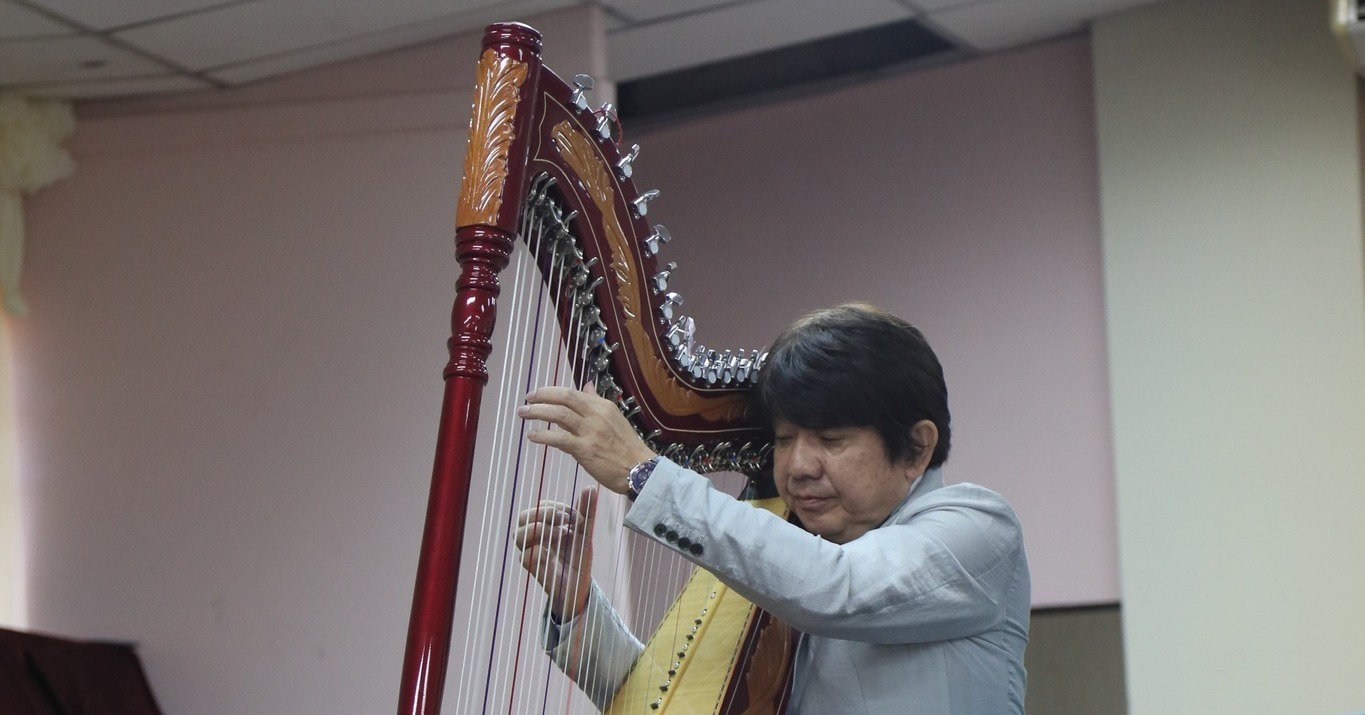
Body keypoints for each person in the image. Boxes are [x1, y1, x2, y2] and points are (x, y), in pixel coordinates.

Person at [514, 303, 1029, 714]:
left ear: (916, 447)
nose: (798, 466)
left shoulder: (979, 527)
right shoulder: (792, 559)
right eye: (784, 438)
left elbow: (839, 588)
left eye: (830, 439)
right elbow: (674, 702)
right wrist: (579, 610)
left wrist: (645, 474)